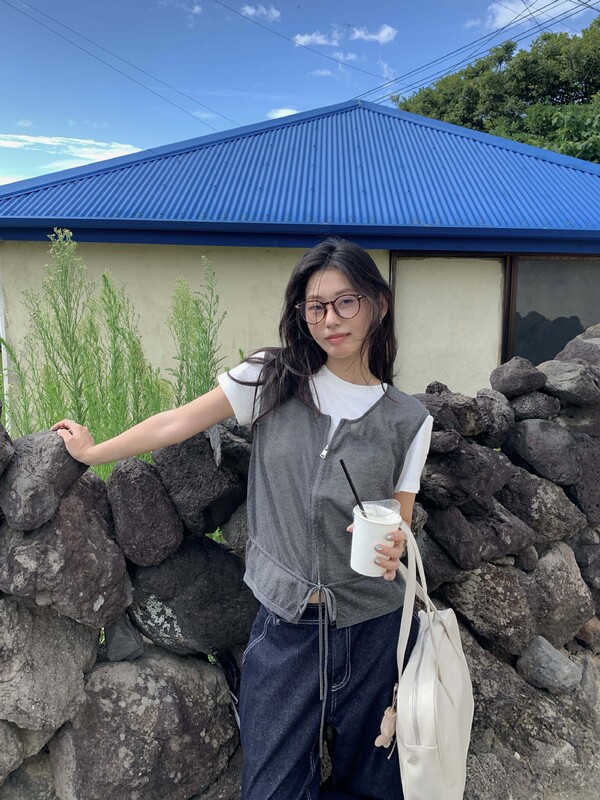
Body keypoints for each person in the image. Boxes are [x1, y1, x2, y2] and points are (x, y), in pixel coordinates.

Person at [52, 238, 433, 800]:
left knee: (374, 786)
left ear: (378, 303)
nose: (330, 319)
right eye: (315, 307)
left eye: (345, 302)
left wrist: (393, 544)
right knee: (272, 788)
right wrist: (92, 452)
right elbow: (175, 423)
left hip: (374, 628)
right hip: (286, 627)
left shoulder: (409, 419)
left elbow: (398, 522)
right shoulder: (273, 378)